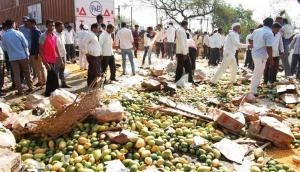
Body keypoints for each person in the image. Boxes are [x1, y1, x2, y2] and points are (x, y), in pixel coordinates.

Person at [2, 19, 33, 95]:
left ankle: (20, 91)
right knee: (27, 72)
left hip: (12, 58)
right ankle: (30, 87)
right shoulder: (18, 33)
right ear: (13, 24)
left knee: (16, 75)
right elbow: (25, 44)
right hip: (22, 56)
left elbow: (4, 48)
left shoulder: (4, 36)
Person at [249, 18, 275, 95]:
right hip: (261, 55)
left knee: (258, 71)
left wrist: (255, 45)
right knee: (258, 72)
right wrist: (271, 59)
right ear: (271, 24)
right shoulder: (269, 32)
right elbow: (269, 47)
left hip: (255, 53)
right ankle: (253, 90)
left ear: (263, 22)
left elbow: (250, 40)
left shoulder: (256, 30)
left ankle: (255, 88)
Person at [39, 19, 60, 96]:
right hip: (47, 59)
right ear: (47, 26)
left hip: (53, 58)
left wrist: (59, 57)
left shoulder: (54, 35)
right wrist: (45, 63)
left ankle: (48, 92)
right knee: (54, 76)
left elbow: (56, 47)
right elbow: (40, 50)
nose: (52, 27)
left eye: (53, 25)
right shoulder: (43, 36)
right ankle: (55, 91)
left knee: (50, 76)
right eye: (50, 25)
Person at [27, 18, 46, 87]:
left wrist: (36, 53)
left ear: (33, 24)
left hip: (36, 53)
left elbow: (38, 44)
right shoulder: (32, 31)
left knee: (40, 67)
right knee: (36, 68)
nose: (28, 25)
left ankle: (43, 81)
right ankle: (40, 81)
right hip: (33, 52)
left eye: (29, 24)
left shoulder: (36, 31)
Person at [55, 21, 71, 88]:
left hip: (63, 55)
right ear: (56, 27)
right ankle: (55, 86)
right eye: (61, 27)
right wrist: (59, 57)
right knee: (56, 71)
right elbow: (55, 47)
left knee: (62, 70)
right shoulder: (54, 35)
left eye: (63, 27)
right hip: (57, 57)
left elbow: (62, 46)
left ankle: (63, 83)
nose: (62, 28)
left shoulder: (62, 34)